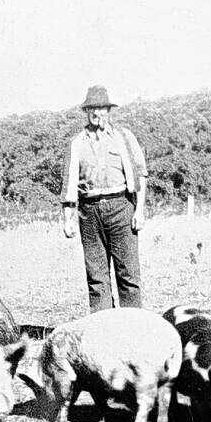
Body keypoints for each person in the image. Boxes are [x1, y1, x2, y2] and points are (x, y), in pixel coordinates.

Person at [61, 85, 148, 312]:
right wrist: (68, 218)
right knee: (96, 276)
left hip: (121, 206)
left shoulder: (124, 137)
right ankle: (103, 330)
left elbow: (141, 174)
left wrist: (140, 210)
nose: (97, 113)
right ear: (86, 111)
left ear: (109, 111)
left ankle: (133, 326)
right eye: (93, 109)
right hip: (89, 212)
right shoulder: (77, 142)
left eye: (102, 109)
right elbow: (69, 183)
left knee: (128, 273)